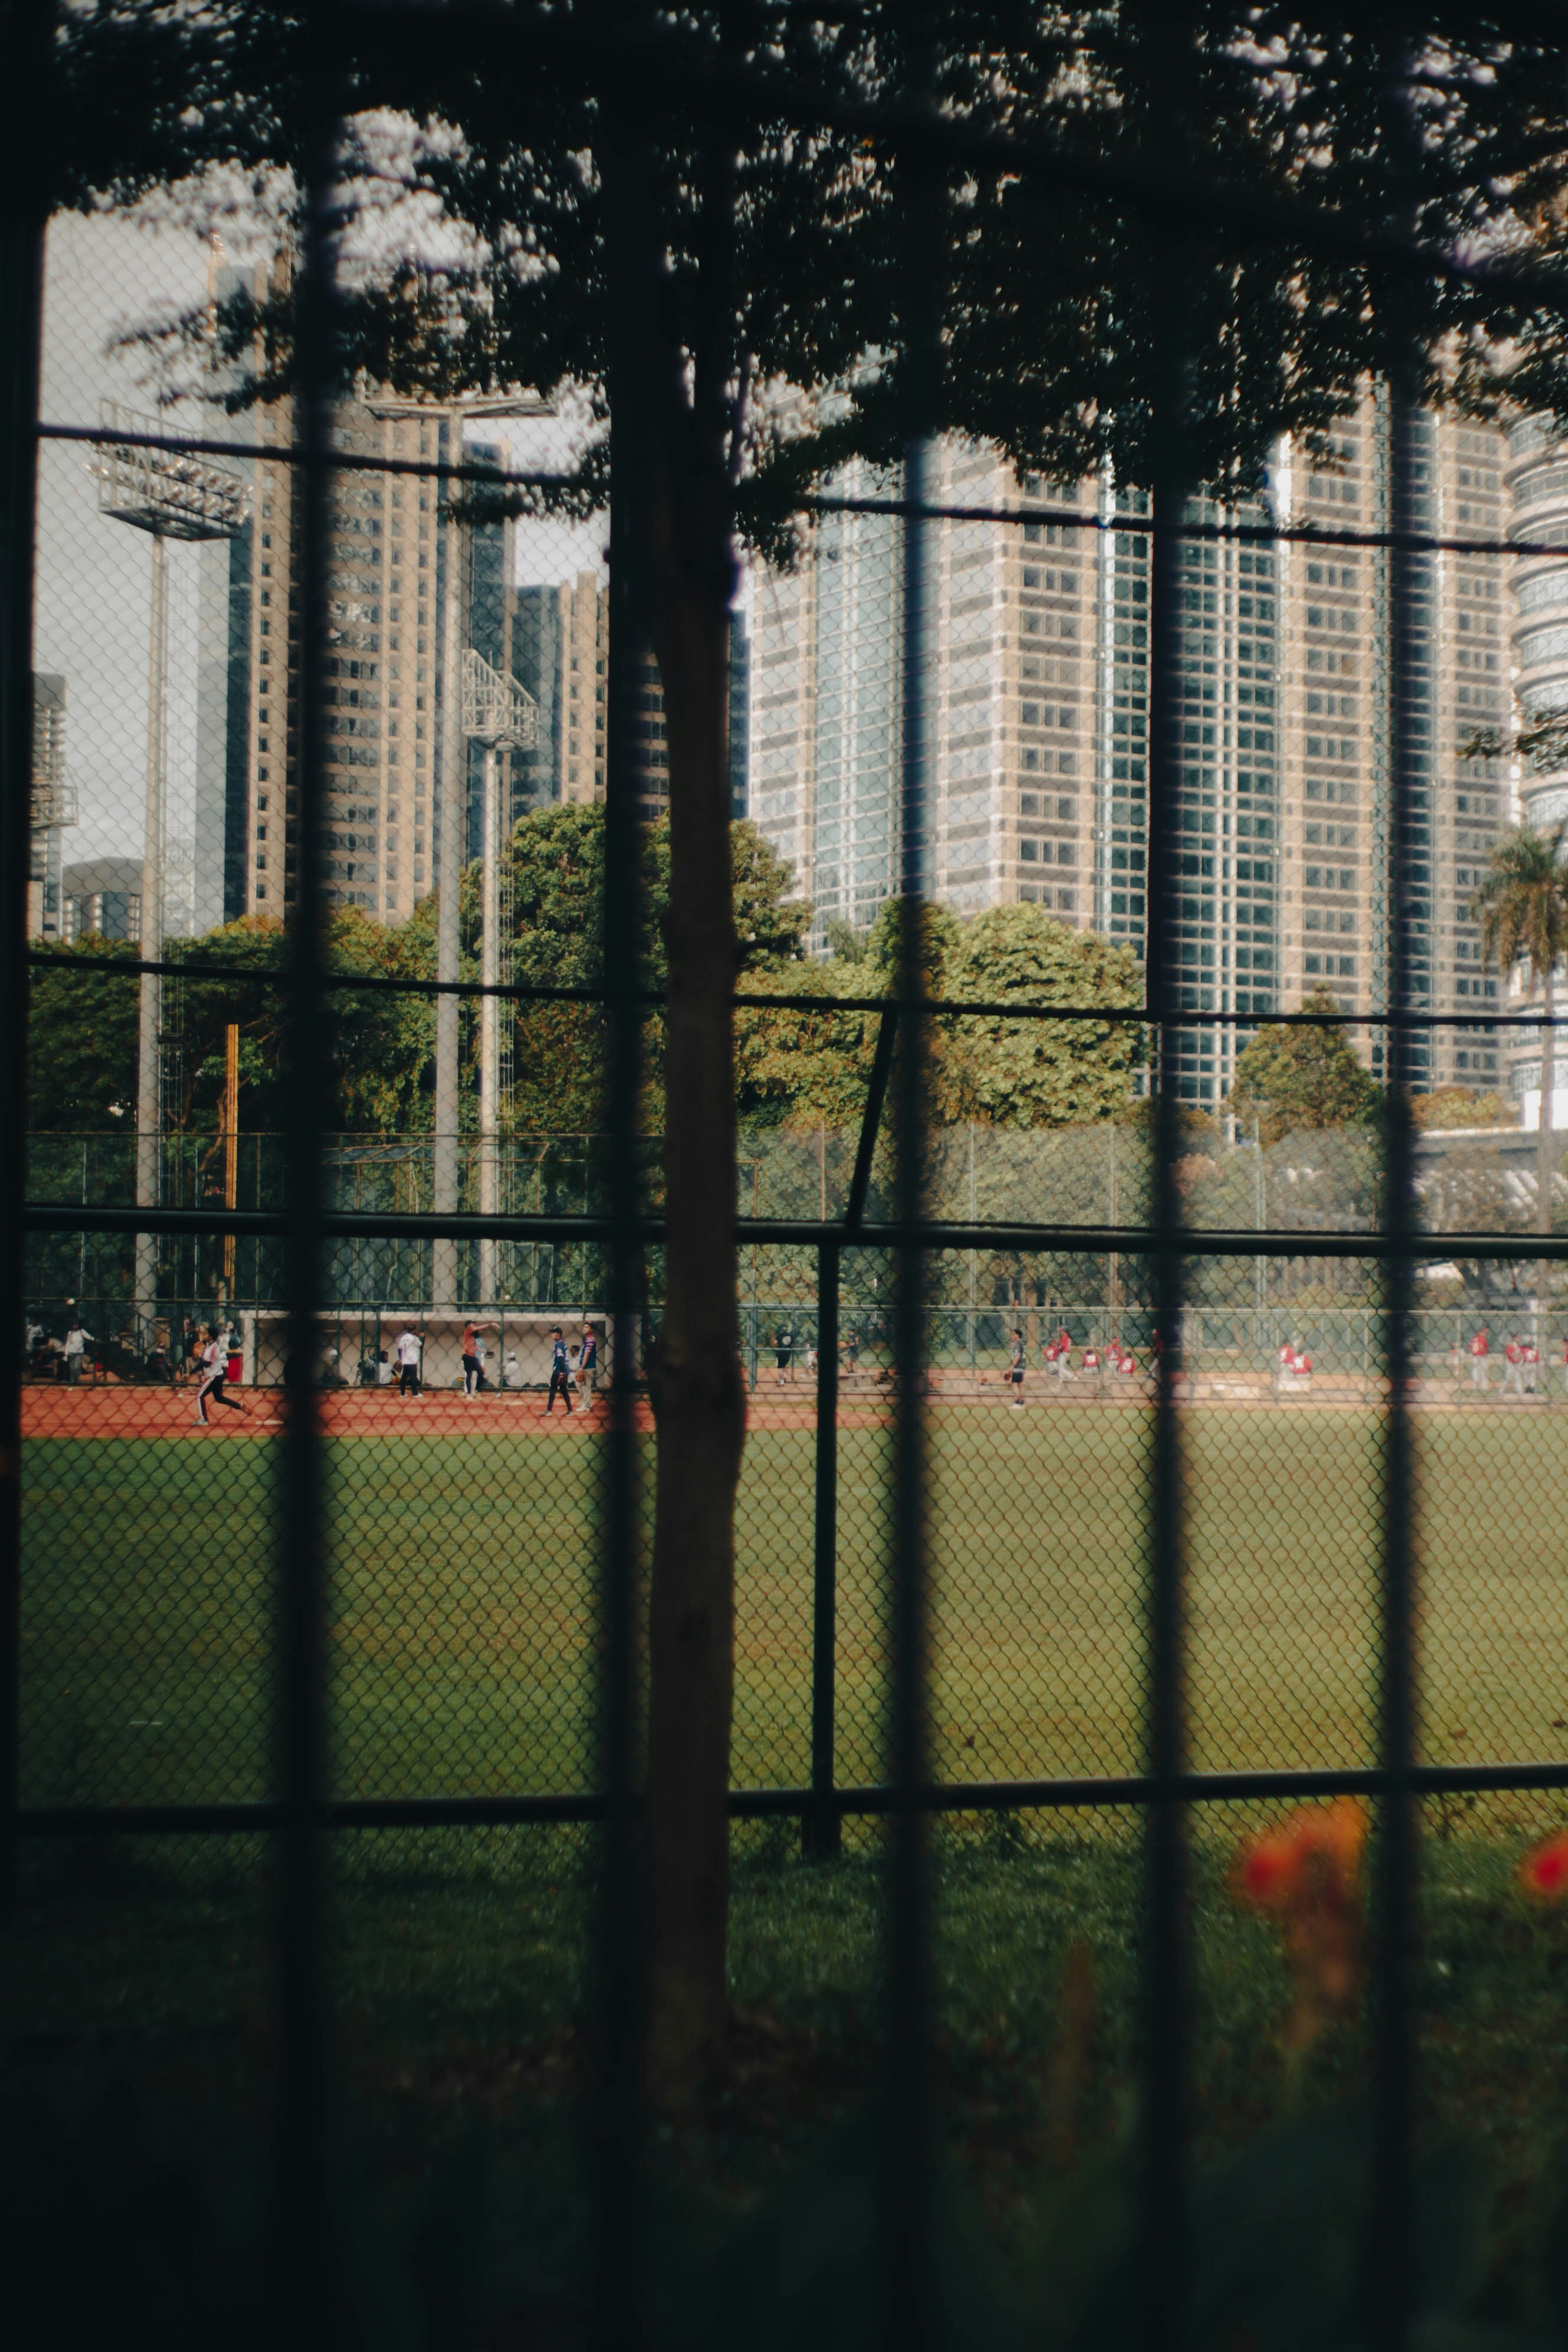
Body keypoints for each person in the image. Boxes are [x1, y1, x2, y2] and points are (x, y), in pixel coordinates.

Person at [194, 1327, 246, 1425]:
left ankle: (204, 1420)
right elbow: (203, 1362)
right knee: (219, 1398)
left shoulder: (214, 1347)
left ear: (211, 1337)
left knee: (199, 1396)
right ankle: (239, 1406)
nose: (205, 1336)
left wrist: (197, 1362)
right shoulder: (209, 1346)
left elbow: (206, 1364)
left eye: (207, 1334)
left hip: (214, 1376)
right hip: (218, 1375)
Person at [545, 1325, 574, 1415]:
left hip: (559, 1370)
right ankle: (570, 1410)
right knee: (564, 1390)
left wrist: (561, 1372)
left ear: (558, 1334)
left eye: (553, 1333)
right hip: (563, 1369)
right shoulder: (562, 1343)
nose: (552, 1335)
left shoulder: (559, 1344)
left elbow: (561, 1358)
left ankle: (549, 1410)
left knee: (553, 1389)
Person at [61, 1314, 94, 1385]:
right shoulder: (70, 1333)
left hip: (79, 1353)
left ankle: (76, 1379)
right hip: (71, 1352)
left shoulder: (82, 1332)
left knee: (77, 1367)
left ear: (79, 1325)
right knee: (72, 1368)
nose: (75, 1326)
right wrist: (66, 1353)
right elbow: (68, 1343)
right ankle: (73, 1382)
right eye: (74, 1325)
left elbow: (89, 1337)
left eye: (76, 1325)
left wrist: (94, 1339)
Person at [394, 1325, 423, 1397]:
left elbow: (399, 1349)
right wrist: (423, 1337)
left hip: (405, 1361)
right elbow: (421, 1345)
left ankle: (402, 1393)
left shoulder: (403, 1338)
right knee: (413, 1377)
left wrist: (401, 1359)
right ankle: (415, 1393)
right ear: (414, 1331)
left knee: (404, 1377)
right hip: (412, 1360)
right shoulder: (414, 1338)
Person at [576, 1322, 598, 1408]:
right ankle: (587, 1404)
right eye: (584, 1327)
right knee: (581, 1385)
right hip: (586, 1366)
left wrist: (582, 1367)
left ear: (591, 1330)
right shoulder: (587, 1339)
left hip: (588, 1367)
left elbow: (587, 1354)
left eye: (587, 1327)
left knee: (585, 1386)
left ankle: (586, 1405)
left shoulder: (590, 1339)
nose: (584, 1328)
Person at [1502, 1334, 1527, 1399]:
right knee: (1508, 1378)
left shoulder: (1518, 1346)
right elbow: (1509, 1354)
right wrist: (1515, 1355)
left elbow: (1521, 1356)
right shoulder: (1511, 1346)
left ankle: (1520, 1392)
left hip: (1517, 1364)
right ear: (1514, 1339)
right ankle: (1502, 1391)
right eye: (1518, 1338)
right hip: (1511, 1364)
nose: (1519, 1339)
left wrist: (1520, 1359)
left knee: (1518, 1377)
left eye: (1519, 1338)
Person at [1008, 1327, 1026, 1409]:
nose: (1012, 1336)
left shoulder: (1018, 1345)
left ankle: (1017, 1403)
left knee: (1015, 1385)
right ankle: (1022, 1403)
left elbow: (1017, 1357)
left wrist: (1011, 1368)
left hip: (1017, 1367)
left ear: (1018, 1336)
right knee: (1020, 1385)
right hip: (1022, 1367)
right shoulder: (1021, 1344)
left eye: (1013, 1335)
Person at [1468, 1326, 1490, 1391]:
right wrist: (1485, 1354)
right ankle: (1485, 1387)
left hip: (1475, 1357)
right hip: (1481, 1357)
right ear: (1480, 1333)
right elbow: (1481, 1347)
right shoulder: (1482, 1339)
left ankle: (1475, 1387)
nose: (1485, 1334)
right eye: (1484, 1332)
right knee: (1484, 1372)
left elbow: (1470, 1347)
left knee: (1475, 1372)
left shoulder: (1474, 1339)